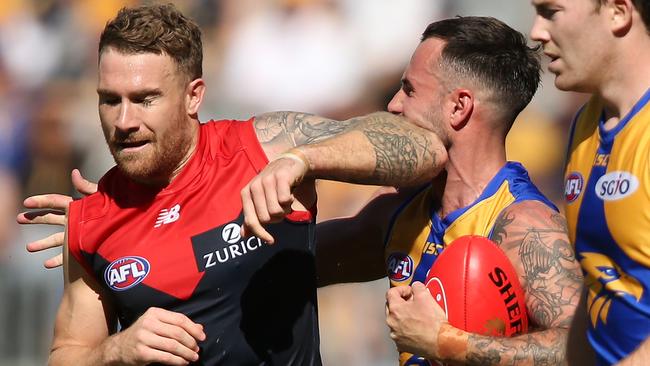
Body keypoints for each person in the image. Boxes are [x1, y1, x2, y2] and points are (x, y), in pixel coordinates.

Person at [22, 4, 449, 365]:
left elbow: (422, 147)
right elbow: (69, 352)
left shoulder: (262, 146)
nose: (124, 121)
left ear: (194, 96)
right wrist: (116, 350)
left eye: (145, 99)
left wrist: (301, 160)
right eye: (109, 99)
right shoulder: (88, 222)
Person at [239, 16, 584, 365]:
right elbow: (280, 266)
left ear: (459, 107)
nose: (393, 105)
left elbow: (581, 349)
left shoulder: (525, 224)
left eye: (409, 90)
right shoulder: (400, 211)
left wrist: (444, 342)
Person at [530, 0, 650, 365]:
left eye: (551, 11)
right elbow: (599, 284)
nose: (536, 32)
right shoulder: (585, 126)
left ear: (618, 11)